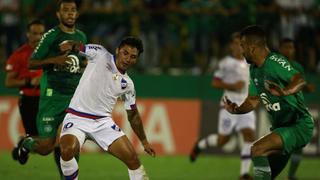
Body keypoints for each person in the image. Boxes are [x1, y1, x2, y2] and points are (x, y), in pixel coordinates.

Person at [58, 36, 155, 180]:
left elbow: (133, 115)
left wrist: (144, 141)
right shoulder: (100, 54)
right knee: (67, 151)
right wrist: (68, 45)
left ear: (137, 59)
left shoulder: (128, 84)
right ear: (117, 50)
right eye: (125, 53)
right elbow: (79, 47)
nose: (128, 59)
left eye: (133, 57)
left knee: (133, 160)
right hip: (77, 117)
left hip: (103, 123)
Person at [224, 25, 314, 179]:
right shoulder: (254, 70)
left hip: (298, 125)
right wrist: (237, 109)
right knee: (267, 175)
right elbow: (252, 100)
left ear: (252, 48)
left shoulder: (274, 61)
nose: (241, 50)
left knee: (257, 150)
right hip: (281, 129)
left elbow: (299, 80)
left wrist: (284, 91)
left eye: (243, 46)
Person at [13, 0, 87, 178]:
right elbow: (32, 62)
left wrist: (84, 65)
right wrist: (55, 60)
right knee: (46, 147)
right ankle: (25, 143)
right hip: (52, 97)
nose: (70, 13)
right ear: (58, 14)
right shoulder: (51, 36)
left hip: (73, 99)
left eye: (73, 10)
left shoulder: (81, 37)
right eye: (66, 10)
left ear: (77, 14)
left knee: (69, 142)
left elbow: (81, 61)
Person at [189, 32, 256, 180]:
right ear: (232, 46)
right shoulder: (225, 63)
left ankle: (244, 174)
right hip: (228, 106)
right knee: (222, 140)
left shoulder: (250, 62)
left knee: (250, 136)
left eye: (242, 43)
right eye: (236, 43)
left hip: (245, 105)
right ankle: (200, 145)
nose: (239, 46)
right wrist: (232, 86)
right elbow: (215, 82)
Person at [279, 38, 316, 180]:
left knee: (299, 145)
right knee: (280, 144)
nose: (290, 50)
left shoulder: (297, 67)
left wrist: (307, 88)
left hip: (298, 109)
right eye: (286, 47)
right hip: (282, 109)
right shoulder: (274, 66)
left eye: (292, 47)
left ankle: (291, 175)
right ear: (280, 49)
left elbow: (300, 84)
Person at [5, 20, 45, 138]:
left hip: (48, 99)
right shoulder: (19, 55)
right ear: (28, 34)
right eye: (34, 33)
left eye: (41, 33)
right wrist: (29, 81)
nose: (38, 37)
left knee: (57, 136)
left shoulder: (50, 52)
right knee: (35, 138)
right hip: (29, 100)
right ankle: (24, 144)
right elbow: (8, 82)